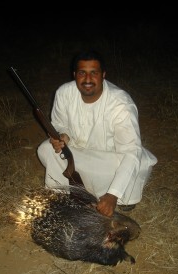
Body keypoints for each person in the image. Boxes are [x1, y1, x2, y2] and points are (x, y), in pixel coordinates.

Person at [37, 50, 157, 217]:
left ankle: (116, 193)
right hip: (80, 154)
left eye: (94, 73)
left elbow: (131, 152)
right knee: (46, 149)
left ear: (103, 75)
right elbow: (59, 124)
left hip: (111, 161)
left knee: (125, 182)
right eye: (82, 73)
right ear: (74, 75)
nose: (87, 79)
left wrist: (113, 194)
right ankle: (64, 192)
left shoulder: (120, 103)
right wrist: (63, 136)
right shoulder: (64, 93)